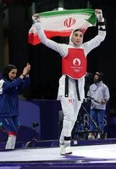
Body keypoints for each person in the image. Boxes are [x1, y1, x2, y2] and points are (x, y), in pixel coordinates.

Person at [32, 9, 106, 155]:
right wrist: (38, 24)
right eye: (76, 35)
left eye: (80, 35)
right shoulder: (64, 48)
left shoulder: (85, 48)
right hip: (67, 84)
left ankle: (61, 143)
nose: (78, 37)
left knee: (73, 118)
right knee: (68, 115)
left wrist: (100, 18)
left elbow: (101, 37)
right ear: (71, 37)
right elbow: (45, 41)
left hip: (79, 85)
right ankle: (66, 144)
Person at [0, 63, 31, 149]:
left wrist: (27, 74)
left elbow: (25, 85)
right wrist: (22, 75)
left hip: (14, 112)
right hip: (5, 112)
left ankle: (9, 150)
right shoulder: (2, 82)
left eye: (15, 73)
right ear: (7, 72)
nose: (14, 75)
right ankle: (8, 152)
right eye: (12, 73)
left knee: (14, 132)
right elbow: (11, 86)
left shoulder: (15, 82)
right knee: (12, 131)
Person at [87, 72, 110, 140]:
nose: (94, 78)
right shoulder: (91, 86)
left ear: (100, 78)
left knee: (100, 121)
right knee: (91, 121)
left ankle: (100, 134)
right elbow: (89, 95)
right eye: (94, 77)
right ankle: (91, 134)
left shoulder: (104, 87)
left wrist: (104, 100)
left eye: (96, 77)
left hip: (101, 107)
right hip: (93, 107)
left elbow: (107, 96)